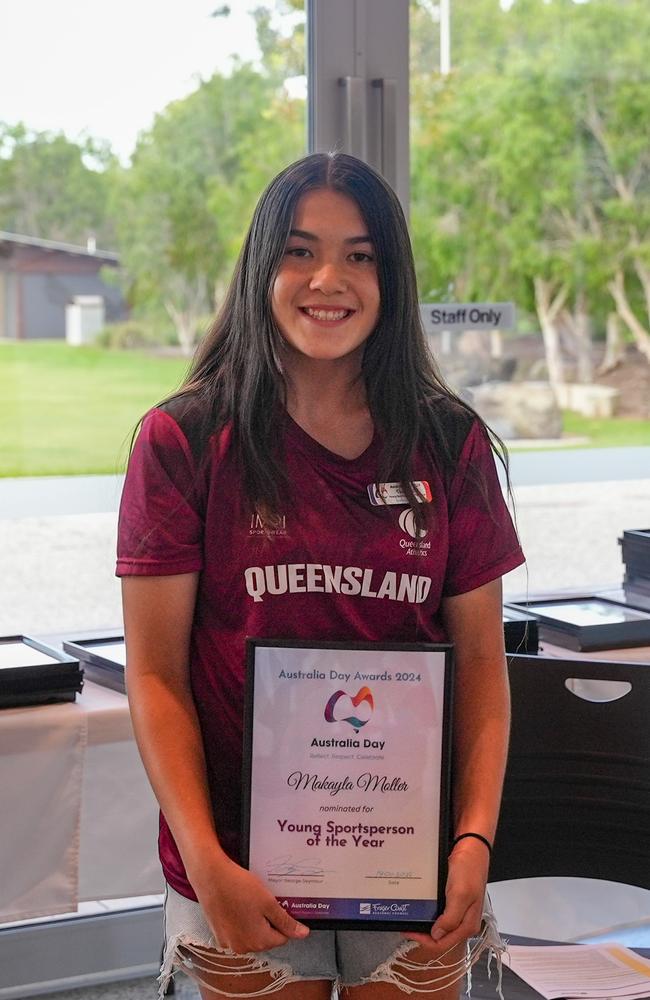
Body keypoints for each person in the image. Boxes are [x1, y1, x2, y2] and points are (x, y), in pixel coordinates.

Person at [117, 151, 525, 1000]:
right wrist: (205, 860)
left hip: (414, 862)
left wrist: (474, 844)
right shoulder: (183, 442)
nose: (328, 278)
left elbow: (483, 667)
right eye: (299, 250)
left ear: (393, 277)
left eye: (361, 254)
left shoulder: (452, 444)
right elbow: (155, 676)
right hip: (237, 865)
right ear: (262, 267)